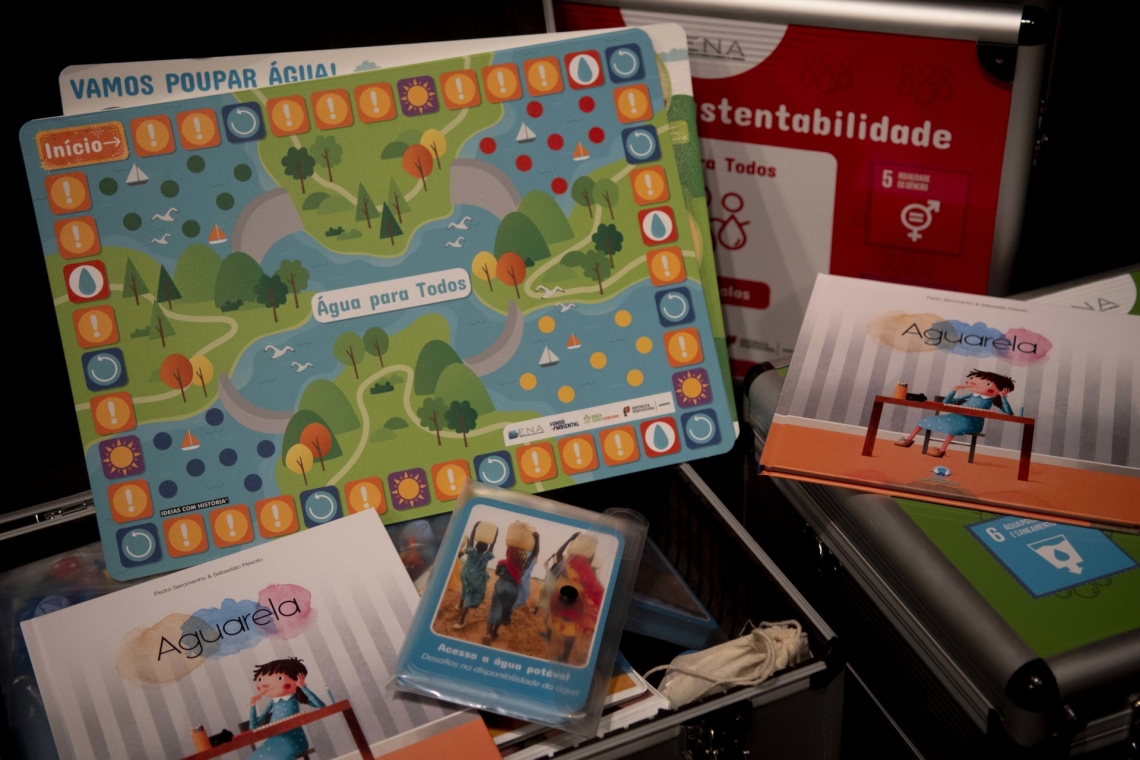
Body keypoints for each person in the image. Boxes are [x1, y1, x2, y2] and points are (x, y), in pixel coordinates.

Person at [895, 369, 1015, 457]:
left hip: (971, 422)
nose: (973, 383)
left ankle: (942, 450)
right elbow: (946, 402)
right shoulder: (971, 394)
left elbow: (1009, 413)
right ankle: (908, 441)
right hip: (955, 416)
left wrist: (1003, 397)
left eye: (988, 384)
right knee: (923, 421)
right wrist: (954, 390)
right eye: (971, 379)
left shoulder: (992, 399)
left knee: (953, 428)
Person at [247, 657, 325, 760]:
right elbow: (253, 727)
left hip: (293, 740)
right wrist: (253, 705)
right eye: (260, 679)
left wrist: (302, 687)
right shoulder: (273, 701)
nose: (265, 684)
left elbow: (321, 705)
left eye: (280, 678)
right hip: (273, 741)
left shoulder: (295, 697)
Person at [484, 532, 539, 644]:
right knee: (504, 611)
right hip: (513, 590)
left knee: (494, 608)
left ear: (508, 553)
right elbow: (534, 554)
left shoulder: (502, 562)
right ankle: (494, 632)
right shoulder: (523, 565)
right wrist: (537, 539)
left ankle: (488, 634)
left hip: (500, 586)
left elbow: (497, 572)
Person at [454, 530, 495, 629]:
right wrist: (495, 537)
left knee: (465, 588)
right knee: (471, 597)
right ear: (486, 549)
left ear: (476, 546)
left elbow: (471, 541)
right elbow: (492, 546)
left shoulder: (472, 552)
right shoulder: (486, 557)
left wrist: (475, 528)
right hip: (476, 580)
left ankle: (460, 605)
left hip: (466, 575)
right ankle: (461, 621)